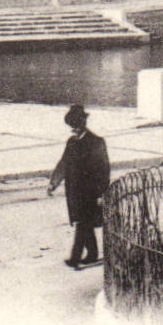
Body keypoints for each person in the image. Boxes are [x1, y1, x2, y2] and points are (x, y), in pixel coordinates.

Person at [47, 104, 110, 269]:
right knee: (84, 223)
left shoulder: (96, 142)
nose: (73, 130)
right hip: (75, 192)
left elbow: (104, 170)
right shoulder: (72, 143)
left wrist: (102, 193)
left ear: (82, 123)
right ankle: (92, 254)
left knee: (82, 224)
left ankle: (75, 258)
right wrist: (54, 182)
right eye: (71, 126)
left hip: (90, 193)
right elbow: (64, 163)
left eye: (75, 126)